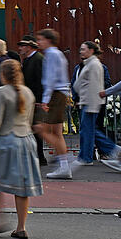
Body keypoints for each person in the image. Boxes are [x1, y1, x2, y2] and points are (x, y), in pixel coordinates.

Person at [0, 60, 43, 239]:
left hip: (5, 141)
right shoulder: (28, 93)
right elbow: (29, 121)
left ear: (2, 74)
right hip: (26, 140)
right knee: (22, 187)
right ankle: (21, 227)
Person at [71, 41, 121, 171]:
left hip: (90, 102)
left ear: (91, 51)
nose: (81, 51)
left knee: (88, 130)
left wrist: (84, 98)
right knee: (89, 130)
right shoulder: (89, 64)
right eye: (80, 49)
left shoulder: (93, 65)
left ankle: (109, 150)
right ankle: (88, 155)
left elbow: (92, 86)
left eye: (84, 49)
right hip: (89, 102)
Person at [33, 29, 73, 179]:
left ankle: (65, 158)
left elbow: (50, 79)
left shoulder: (50, 55)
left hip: (55, 95)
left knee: (41, 129)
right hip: (61, 94)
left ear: (48, 40)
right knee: (57, 132)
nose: (38, 43)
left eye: (40, 39)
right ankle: (64, 165)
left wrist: (45, 100)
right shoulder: (58, 54)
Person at [17, 36, 48, 166]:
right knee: (33, 129)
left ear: (29, 47)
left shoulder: (38, 59)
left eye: (22, 46)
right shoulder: (30, 59)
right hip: (31, 100)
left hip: (35, 101)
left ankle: (40, 156)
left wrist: (40, 100)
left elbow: (41, 81)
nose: (20, 48)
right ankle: (37, 156)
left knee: (36, 129)